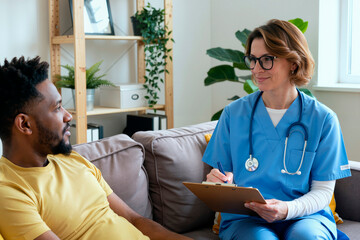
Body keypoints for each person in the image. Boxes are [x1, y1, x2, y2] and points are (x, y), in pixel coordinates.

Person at [0, 56, 190, 240]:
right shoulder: (9, 189)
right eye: (57, 108)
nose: (68, 116)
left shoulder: (72, 160)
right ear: (25, 125)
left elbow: (135, 220)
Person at [202, 19, 351, 240]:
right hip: (247, 219)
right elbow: (222, 177)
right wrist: (218, 182)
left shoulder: (323, 119)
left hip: (306, 217)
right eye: (252, 60)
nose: (256, 69)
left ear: (293, 62)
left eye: (267, 60)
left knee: (306, 237)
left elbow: (323, 191)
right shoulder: (234, 114)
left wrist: (287, 210)